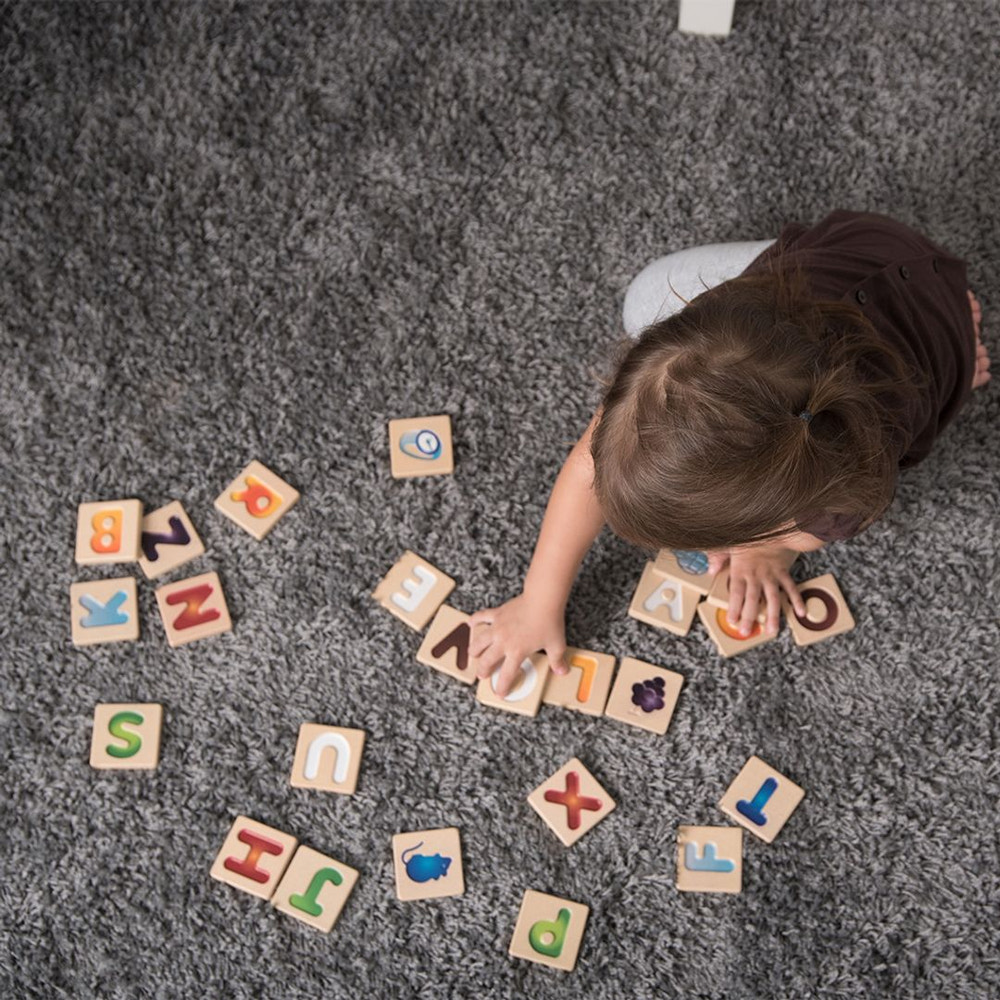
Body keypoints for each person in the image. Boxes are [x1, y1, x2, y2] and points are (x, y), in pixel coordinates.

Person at [470, 210, 990, 695]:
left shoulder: (837, 498)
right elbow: (588, 465)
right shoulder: (686, 361)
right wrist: (539, 598)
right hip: (851, 249)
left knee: (945, 367)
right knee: (643, 303)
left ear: (786, 517)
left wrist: (766, 552)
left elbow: (800, 529)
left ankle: (956, 338)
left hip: (918, 334)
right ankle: (938, 308)